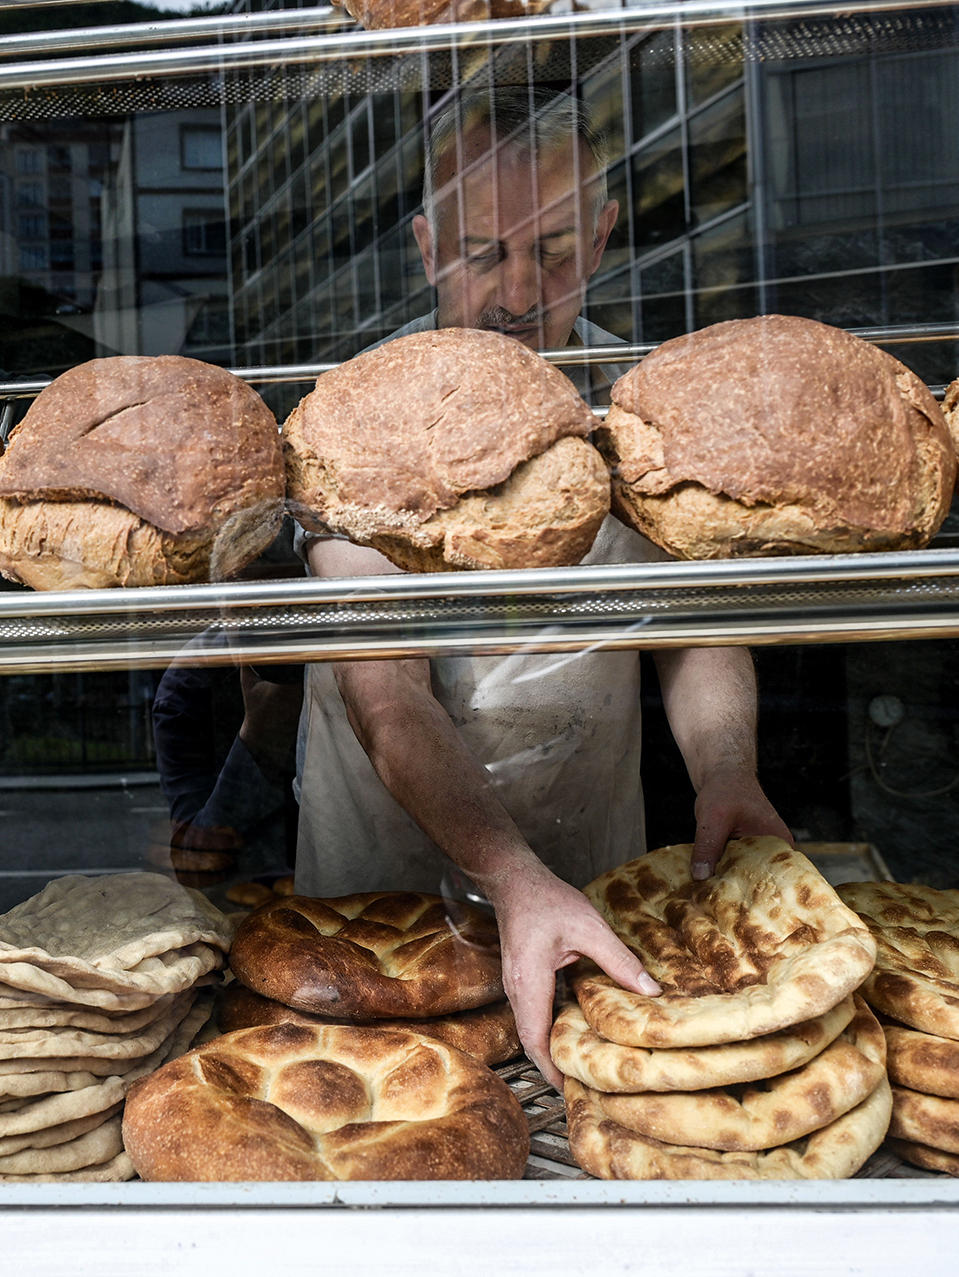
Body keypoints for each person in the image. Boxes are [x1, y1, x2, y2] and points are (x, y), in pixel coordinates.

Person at [297, 88, 792, 1086]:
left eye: (555, 249)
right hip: (375, 913)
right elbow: (386, 696)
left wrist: (725, 768)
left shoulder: (643, 417)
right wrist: (512, 875)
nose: (520, 288)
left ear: (605, 234)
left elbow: (692, 631)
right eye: (484, 251)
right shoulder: (354, 429)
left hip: (594, 898)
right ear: (430, 246)